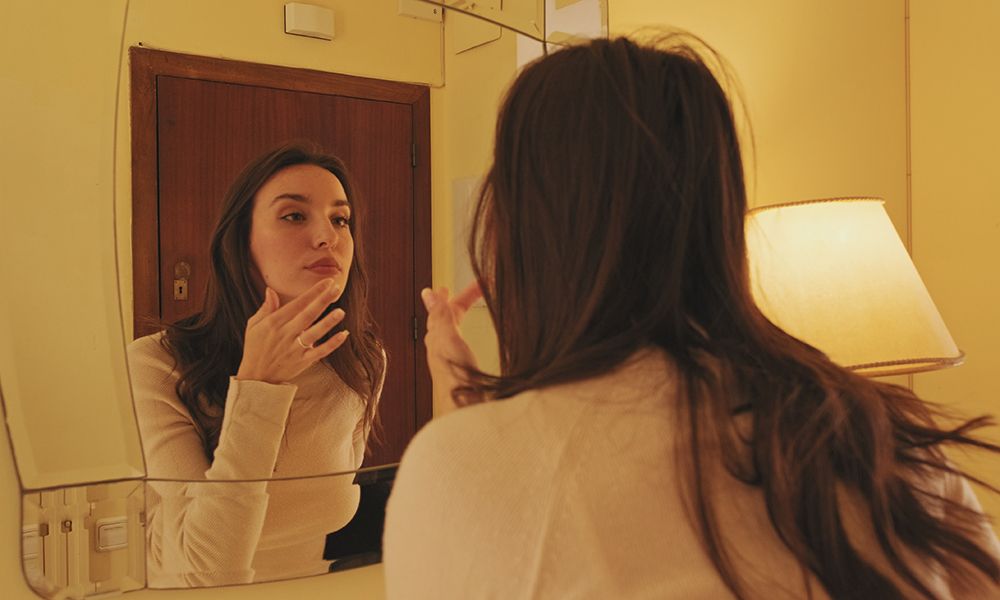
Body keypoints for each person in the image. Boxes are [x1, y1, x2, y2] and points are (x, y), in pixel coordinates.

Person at [383, 35, 1000, 599]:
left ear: (521, 229)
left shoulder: (458, 472)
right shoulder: (885, 440)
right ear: (718, 216)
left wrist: (472, 418)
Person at [127, 142, 386, 586]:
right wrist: (259, 386)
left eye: (340, 219)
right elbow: (206, 569)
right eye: (294, 216)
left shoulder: (361, 360)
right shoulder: (157, 363)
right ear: (240, 242)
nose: (327, 237)